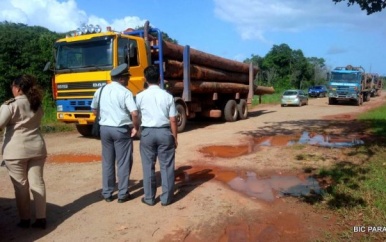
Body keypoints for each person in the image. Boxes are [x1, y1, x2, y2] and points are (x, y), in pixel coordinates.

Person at [0, 75, 47, 229]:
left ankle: (25, 219)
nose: (11, 90)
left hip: (15, 151)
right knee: (38, 183)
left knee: (21, 186)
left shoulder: (9, 105)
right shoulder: (36, 104)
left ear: (18, 88)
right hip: (37, 148)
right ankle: (41, 218)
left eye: (12, 87)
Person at [91, 63, 139, 203]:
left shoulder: (100, 90)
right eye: (127, 77)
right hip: (121, 129)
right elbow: (134, 113)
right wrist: (135, 127)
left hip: (104, 129)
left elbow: (94, 110)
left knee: (107, 161)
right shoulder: (125, 92)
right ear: (122, 79)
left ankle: (107, 193)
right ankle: (123, 194)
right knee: (123, 162)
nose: (128, 80)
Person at [136, 65, 178, 206]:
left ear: (145, 79)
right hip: (164, 132)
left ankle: (149, 198)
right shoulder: (168, 96)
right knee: (166, 166)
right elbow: (173, 119)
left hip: (147, 132)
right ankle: (166, 199)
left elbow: (136, 115)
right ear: (159, 79)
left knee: (148, 166)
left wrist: (136, 128)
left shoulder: (140, 96)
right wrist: (175, 137)